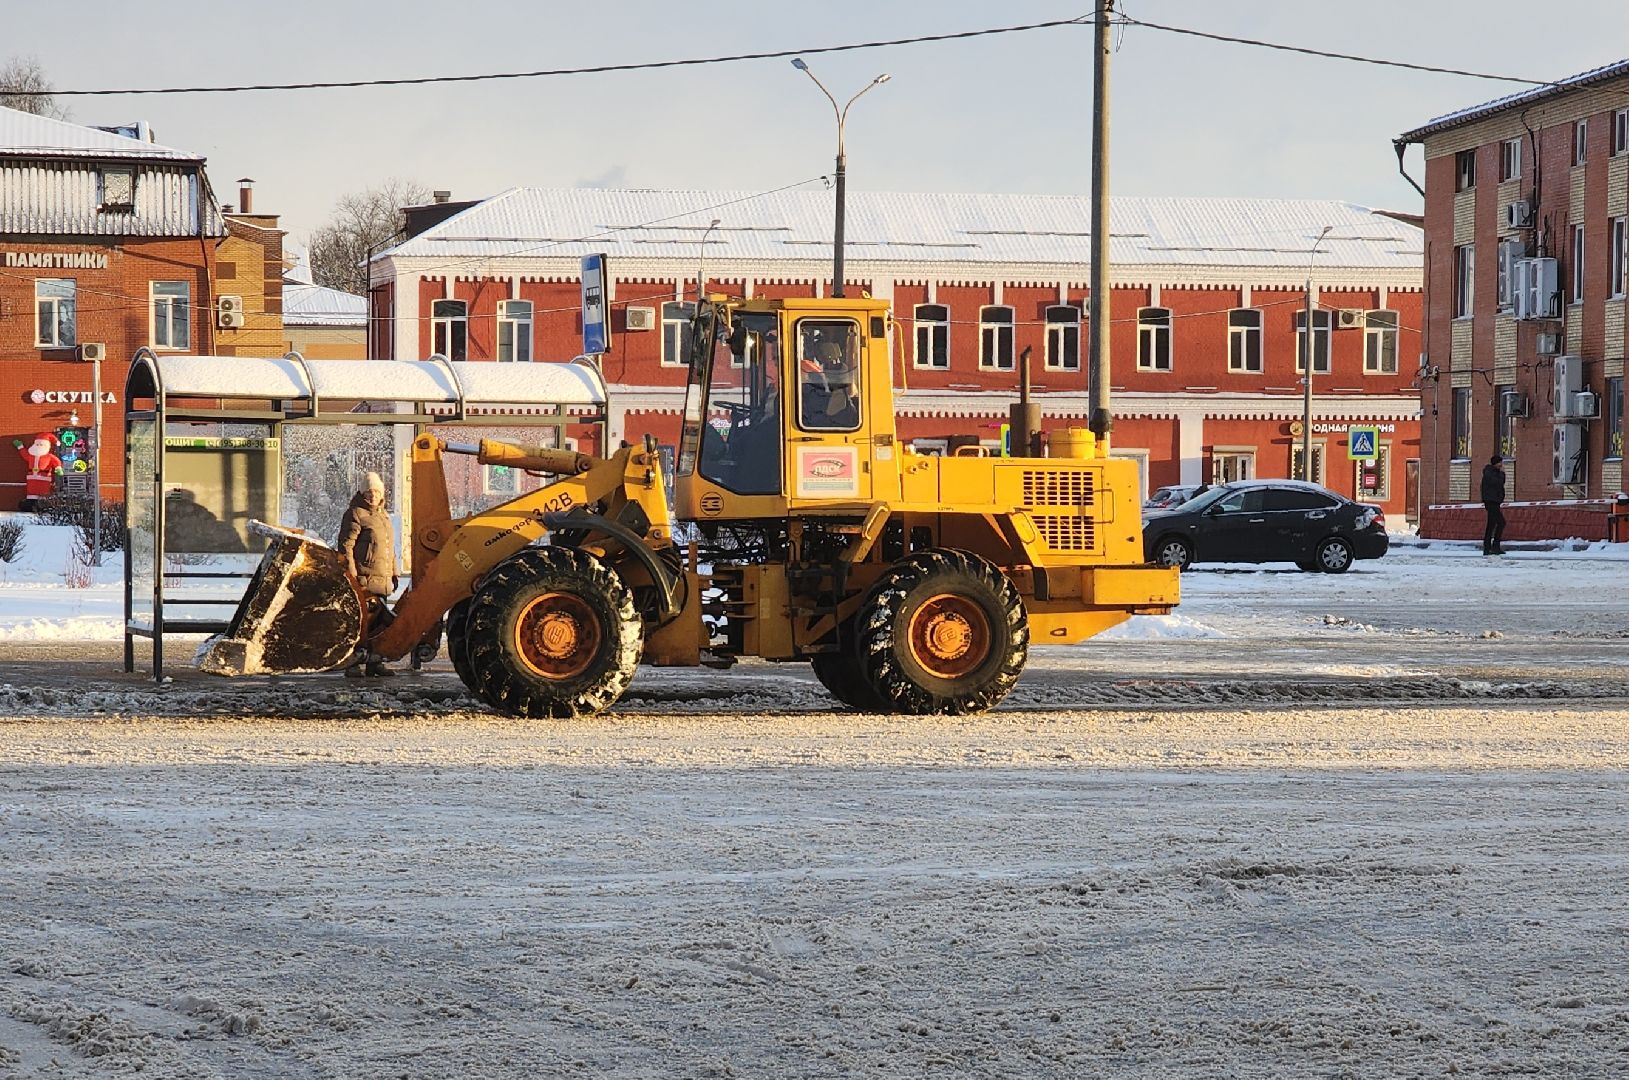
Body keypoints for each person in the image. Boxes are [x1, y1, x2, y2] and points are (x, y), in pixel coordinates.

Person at [337, 471, 398, 676]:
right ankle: (352, 664)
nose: (373, 495)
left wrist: (394, 572)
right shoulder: (355, 514)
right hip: (364, 579)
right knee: (359, 624)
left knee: (379, 626)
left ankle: (375, 662)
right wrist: (352, 575)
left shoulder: (383, 515)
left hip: (382, 579)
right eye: (369, 492)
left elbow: (389, 548)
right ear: (363, 493)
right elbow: (346, 546)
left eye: (376, 492)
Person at [1481, 453, 1507, 556]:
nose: (1501, 465)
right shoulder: (1489, 473)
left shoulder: (1495, 473)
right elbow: (1498, 482)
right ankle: (1494, 546)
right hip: (1491, 502)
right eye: (1500, 463)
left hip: (1495, 501)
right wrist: (1502, 473)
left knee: (1491, 525)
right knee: (1501, 523)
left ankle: (1488, 548)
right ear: (1495, 463)